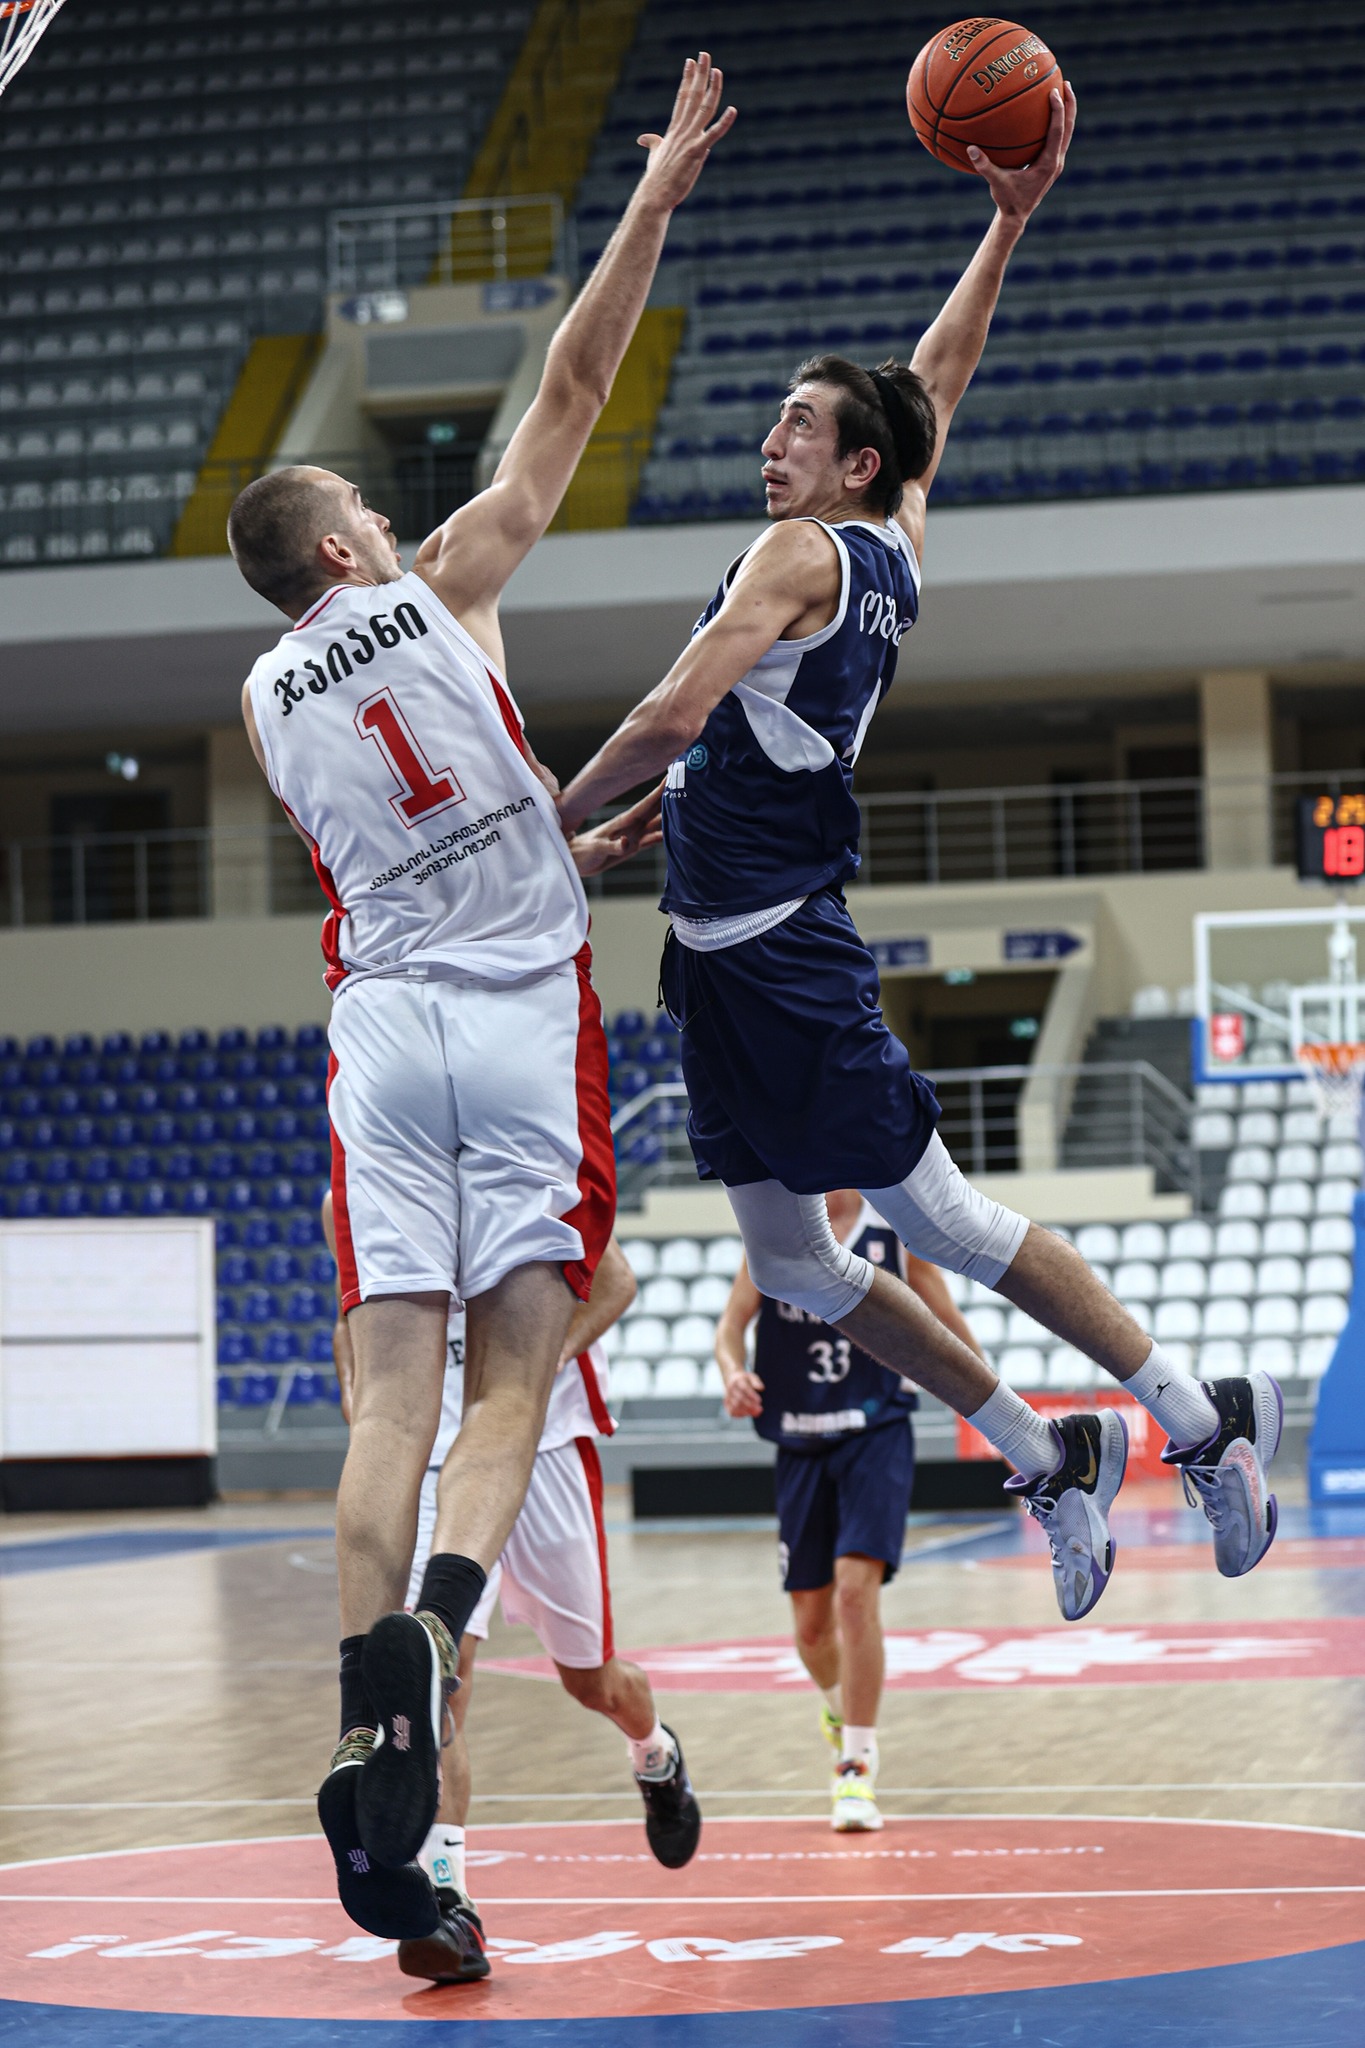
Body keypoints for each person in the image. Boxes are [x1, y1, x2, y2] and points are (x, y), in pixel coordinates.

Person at [555, 83, 1282, 1623]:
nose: (771, 439)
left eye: (800, 425)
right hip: (715, 964)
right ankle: (1045, 1452)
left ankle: (1200, 1419)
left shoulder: (796, 553)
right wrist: (1004, 224)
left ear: (854, 466)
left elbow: (674, 709)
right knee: (800, 1272)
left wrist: (532, 823)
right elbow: (934, 382)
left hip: (785, 956)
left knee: (945, 1219)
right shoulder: (892, 535)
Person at [227, 55, 736, 1942]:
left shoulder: (264, 703)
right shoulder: (443, 586)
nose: (388, 515)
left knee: (392, 1398)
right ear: (345, 548)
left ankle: (372, 1697)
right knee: (518, 1368)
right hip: (522, 1017)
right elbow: (572, 393)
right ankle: (441, 1631)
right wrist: (650, 199)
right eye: (365, 506)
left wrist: (548, 833)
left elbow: (410, 840)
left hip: (381, 1027)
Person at [322, 1196, 701, 1986]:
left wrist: (536, 1362)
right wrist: (362, 1403)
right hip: (432, 1453)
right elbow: (350, 1317)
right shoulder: (355, 1191)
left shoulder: (521, 1164)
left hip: (542, 1444)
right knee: (435, 1675)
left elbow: (615, 1282)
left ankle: (656, 1756)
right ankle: (449, 1903)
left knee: (592, 1682)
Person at [714, 1190, 983, 1833]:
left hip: (876, 1432)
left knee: (856, 1595)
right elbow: (730, 1327)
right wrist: (732, 1372)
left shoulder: (892, 1230)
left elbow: (945, 1319)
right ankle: (838, 1710)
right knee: (811, 1628)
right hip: (798, 1439)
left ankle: (856, 1764)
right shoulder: (773, 1227)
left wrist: (993, 1408)